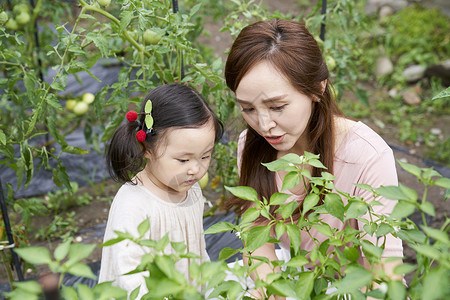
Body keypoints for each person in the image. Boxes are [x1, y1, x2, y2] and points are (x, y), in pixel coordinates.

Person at [224, 19, 403, 298]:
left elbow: (385, 275)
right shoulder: (252, 145)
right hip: (298, 278)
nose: (263, 124)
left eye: (277, 106)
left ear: (317, 89)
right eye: (247, 108)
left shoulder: (366, 155)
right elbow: (258, 247)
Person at [98, 83, 223, 298]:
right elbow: (129, 277)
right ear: (147, 149)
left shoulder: (192, 192)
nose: (196, 169)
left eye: (205, 156)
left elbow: (197, 253)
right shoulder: (134, 205)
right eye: (183, 159)